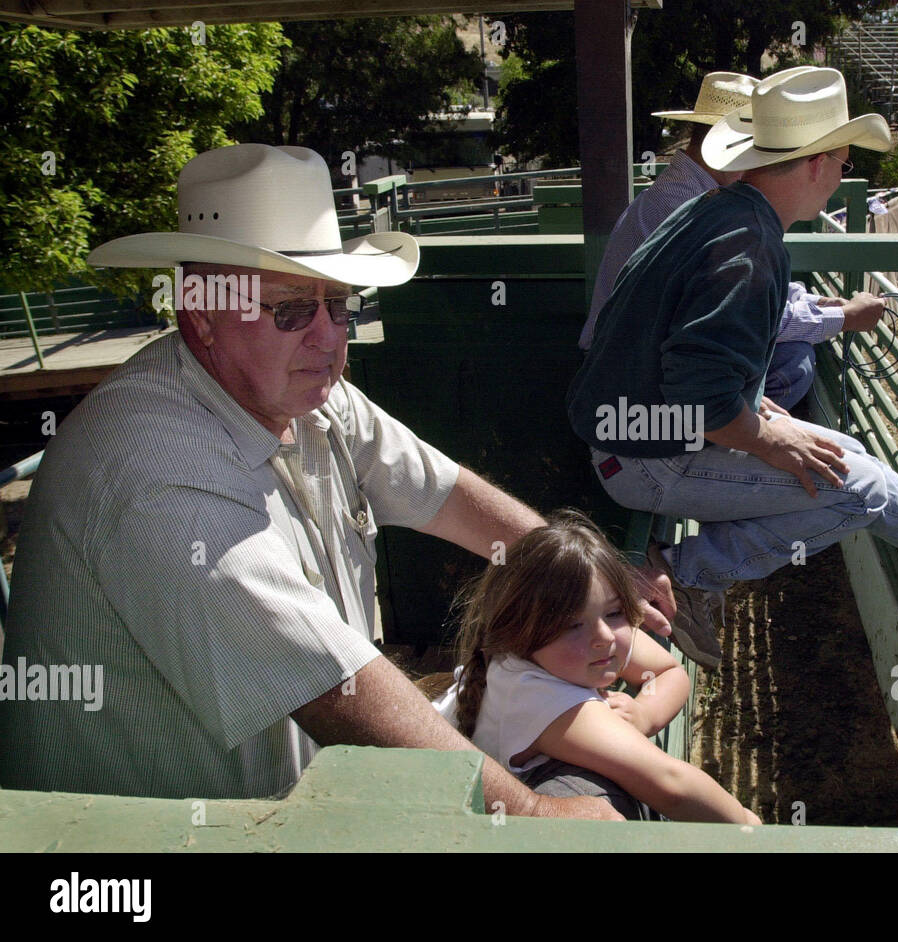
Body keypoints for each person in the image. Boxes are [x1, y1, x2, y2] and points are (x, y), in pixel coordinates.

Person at [0, 143, 657, 821]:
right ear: (199, 313)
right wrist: (529, 816)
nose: (327, 337)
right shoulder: (158, 473)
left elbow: (451, 496)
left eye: (337, 304)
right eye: (289, 311)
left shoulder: (309, 396)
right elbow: (336, 690)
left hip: (266, 810)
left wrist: (599, 592)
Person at [567, 68, 898, 670]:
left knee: (843, 458)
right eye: (844, 164)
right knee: (856, 488)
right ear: (817, 164)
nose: (840, 179)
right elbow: (706, 396)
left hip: (634, 437)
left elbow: (683, 356)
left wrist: (758, 414)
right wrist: (764, 432)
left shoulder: (723, 212)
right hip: (646, 457)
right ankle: (687, 575)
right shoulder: (746, 242)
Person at [579, 68, 886, 410]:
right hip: (637, 386)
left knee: (790, 358)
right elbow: (737, 315)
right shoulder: (703, 212)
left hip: (627, 371)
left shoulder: (688, 198)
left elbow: (732, 302)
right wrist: (843, 318)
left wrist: (813, 303)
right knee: (793, 363)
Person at [435, 512, 760, 824]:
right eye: (572, 625)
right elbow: (671, 784)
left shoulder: (585, 641)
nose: (603, 636)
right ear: (522, 634)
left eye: (615, 612)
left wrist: (645, 713)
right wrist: (748, 826)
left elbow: (668, 671)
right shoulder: (539, 699)